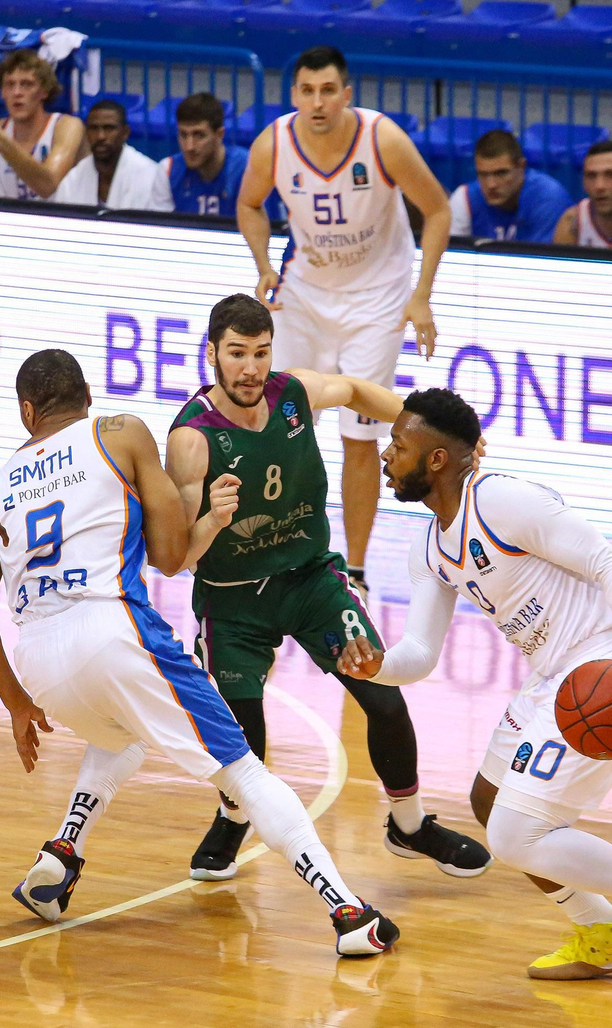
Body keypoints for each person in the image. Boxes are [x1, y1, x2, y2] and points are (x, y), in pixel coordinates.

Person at [0, 347, 401, 958]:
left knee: (123, 732)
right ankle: (347, 911)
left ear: (26, 412)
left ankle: (60, 858)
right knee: (243, 770)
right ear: (87, 397)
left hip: (38, 662)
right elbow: (169, 557)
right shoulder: (118, 431)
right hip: (109, 628)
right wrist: (210, 521)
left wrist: (13, 702)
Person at [338, 388, 612, 998]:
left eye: (397, 445)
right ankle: (609, 934)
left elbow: (609, 563)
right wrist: (377, 667)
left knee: (513, 835)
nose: (388, 456)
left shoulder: (501, 500)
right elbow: (419, 655)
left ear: (438, 460)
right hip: (550, 676)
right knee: (489, 798)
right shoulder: (432, 545)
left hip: (602, 670)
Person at [167, 294, 489, 881]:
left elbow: (359, 392)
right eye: (237, 354)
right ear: (211, 353)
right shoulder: (191, 439)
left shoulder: (293, 393)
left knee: (383, 697)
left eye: (260, 353)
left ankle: (409, 826)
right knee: (245, 741)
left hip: (312, 579)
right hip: (233, 600)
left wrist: (436, 434)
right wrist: (211, 521)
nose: (250, 369)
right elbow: (175, 559)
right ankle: (232, 817)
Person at [237, 45, 450, 599]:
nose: (317, 102)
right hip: (304, 294)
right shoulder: (274, 144)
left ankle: (352, 569)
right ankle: (270, 552)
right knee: (270, 417)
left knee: (361, 435)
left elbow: (439, 208)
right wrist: (263, 266)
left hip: (376, 299)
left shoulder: (383, 139)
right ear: (294, 97)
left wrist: (421, 294)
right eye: (306, 91)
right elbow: (249, 204)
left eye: (328, 90)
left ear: (346, 94)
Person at [0, 48, 83, 201]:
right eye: (10, 85)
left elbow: (48, 186)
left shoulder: (66, 126)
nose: (17, 92)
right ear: (2, 92)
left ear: (44, 91)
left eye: (27, 84)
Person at [448, 129, 573, 243]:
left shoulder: (549, 198)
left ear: (521, 167)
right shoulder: (465, 198)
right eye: (483, 174)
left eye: (501, 173)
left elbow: (545, 262)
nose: (491, 185)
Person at [53, 98, 171, 210]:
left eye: (109, 128)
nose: (100, 136)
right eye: (94, 128)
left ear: (125, 133)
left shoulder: (150, 176)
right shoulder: (73, 179)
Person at [160, 92, 252, 217]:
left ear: (219, 135)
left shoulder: (248, 169)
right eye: (183, 135)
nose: (189, 146)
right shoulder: (168, 170)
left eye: (199, 135)